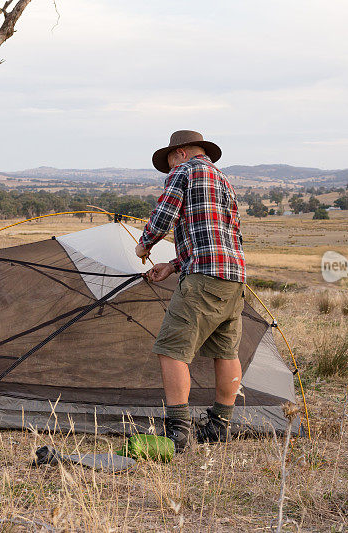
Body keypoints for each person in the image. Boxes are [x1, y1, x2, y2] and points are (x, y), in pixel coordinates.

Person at [134, 130, 246, 452]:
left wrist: (145, 243)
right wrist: (171, 265)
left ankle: (178, 431)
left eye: (169, 161)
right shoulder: (223, 180)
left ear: (180, 153)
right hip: (233, 278)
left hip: (203, 279)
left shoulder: (185, 171)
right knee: (226, 352)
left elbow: (165, 213)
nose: (169, 169)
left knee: (171, 349)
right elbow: (222, 234)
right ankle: (219, 425)